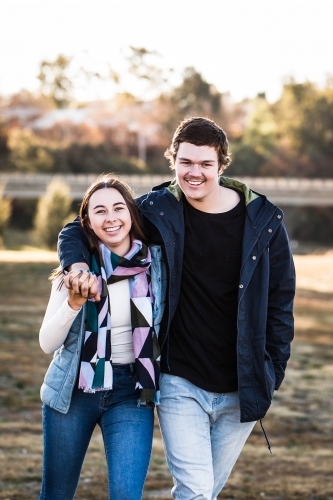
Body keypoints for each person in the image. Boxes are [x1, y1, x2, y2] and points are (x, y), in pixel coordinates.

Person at [58, 117, 295, 500]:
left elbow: (281, 304)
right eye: (186, 162)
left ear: (222, 165)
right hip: (179, 379)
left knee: (205, 492)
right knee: (196, 491)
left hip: (243, 383)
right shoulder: (158, 210)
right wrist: (78, 264)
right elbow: (80, 226)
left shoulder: (263, 221)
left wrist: (272, 370)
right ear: (173, 161)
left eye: (205, 164)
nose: (195, 173)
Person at [39, 174, 166, 500]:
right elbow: (47, 344)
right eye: (100, 211)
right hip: (73, 392)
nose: (111, 218)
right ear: (88, 222)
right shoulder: (75, 273)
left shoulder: (155, 268)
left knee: (126, 494)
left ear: (131, 214)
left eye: (118, 208)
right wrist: (74, 302)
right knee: (56, 494)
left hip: (131, 392)